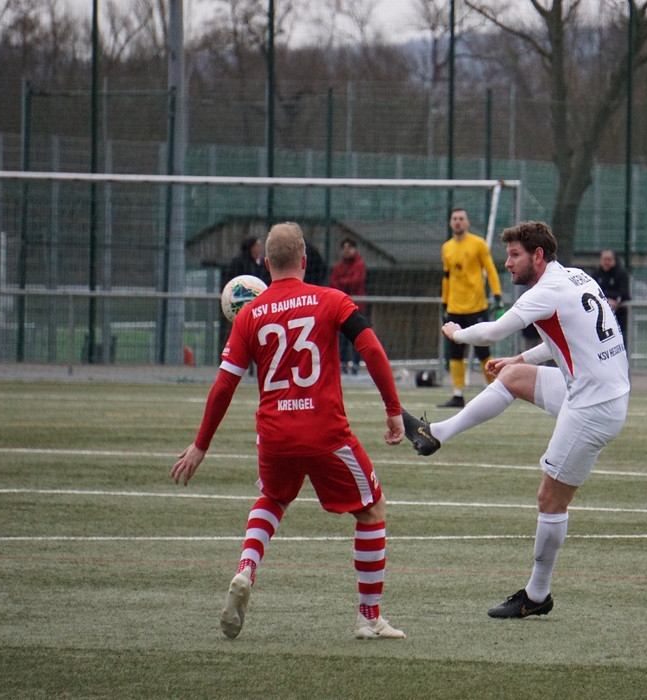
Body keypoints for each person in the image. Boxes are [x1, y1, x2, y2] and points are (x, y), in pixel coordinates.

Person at [172, 222, 407, 640]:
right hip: (325, 433)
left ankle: (246, 568)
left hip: (275, 436)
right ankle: (369, 618)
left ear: (264, 264)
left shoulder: (248, 317)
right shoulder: (331, 299)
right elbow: (370, 348)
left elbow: (224, 384)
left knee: (274, 496)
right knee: (372, 509)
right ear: (304, 259)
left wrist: (200, 445)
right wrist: (393, 410)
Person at [402, 220, 630, 619]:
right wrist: (520, 358)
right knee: (513, 376)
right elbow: (564, 337)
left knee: (550, 500)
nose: (507, 263)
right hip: (598, 391)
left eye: (514, 255)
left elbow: (493, 330)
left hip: (593, 406)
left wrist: (456, 334)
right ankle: (435, 433)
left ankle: (537, 595)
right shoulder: (574, 276)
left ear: (537, 256)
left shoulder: (545, 290)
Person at [438, 207, 504, 408]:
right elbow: (447, 277)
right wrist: (444, 302)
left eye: (461, 219)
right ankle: (458, 394)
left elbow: (490, 270)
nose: (458, 222)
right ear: (451, 223)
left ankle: (496, 391)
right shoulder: (447, 248)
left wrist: (497, 294)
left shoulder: (478, 244)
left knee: (484, 353)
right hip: (455, 308)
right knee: (455, 354)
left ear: (467, 222)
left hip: (477, 307)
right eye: (454, 218)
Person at [329, 237, 368, 375]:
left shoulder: (359, 265)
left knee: (357, 338)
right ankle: (343, 365)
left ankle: (356, 366)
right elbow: (333, 282)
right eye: (344, 248)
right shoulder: (339, 266)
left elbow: (356, 281)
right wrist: (343, 283)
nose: (346, 251)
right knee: (342, 339)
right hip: (342, 307)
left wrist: (342, 282)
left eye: (349, 248)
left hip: (357, 307)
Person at [591, 249, 630, 343]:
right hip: (600, 319)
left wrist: (615, 300)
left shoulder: (621, 274)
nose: (606, 262)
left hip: (619, 318)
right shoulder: (597, 274)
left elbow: (624, 293)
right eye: (603, 259)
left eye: (609, 259)